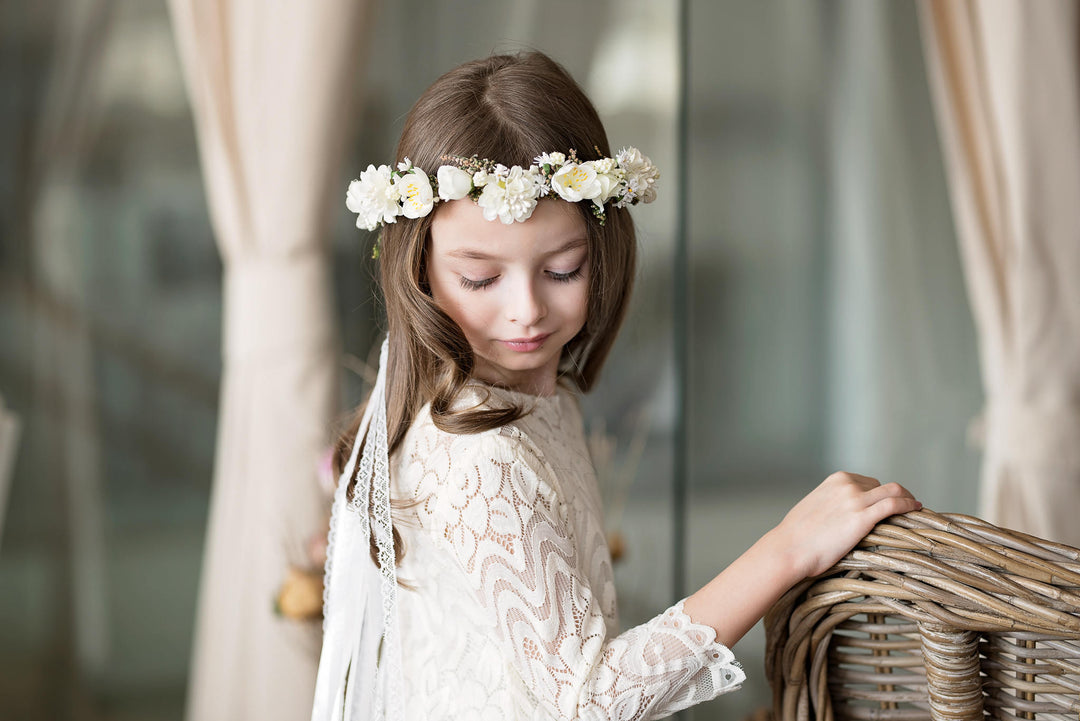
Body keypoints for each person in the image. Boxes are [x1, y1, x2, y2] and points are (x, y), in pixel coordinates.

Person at [312, 51, 921, 721]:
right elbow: (591, 700)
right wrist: (789, 547)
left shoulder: (534, 405)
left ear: (601, 251)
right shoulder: (483, 454)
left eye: (563, 269)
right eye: (481, 279)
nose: (526, 310)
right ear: (419, 265)